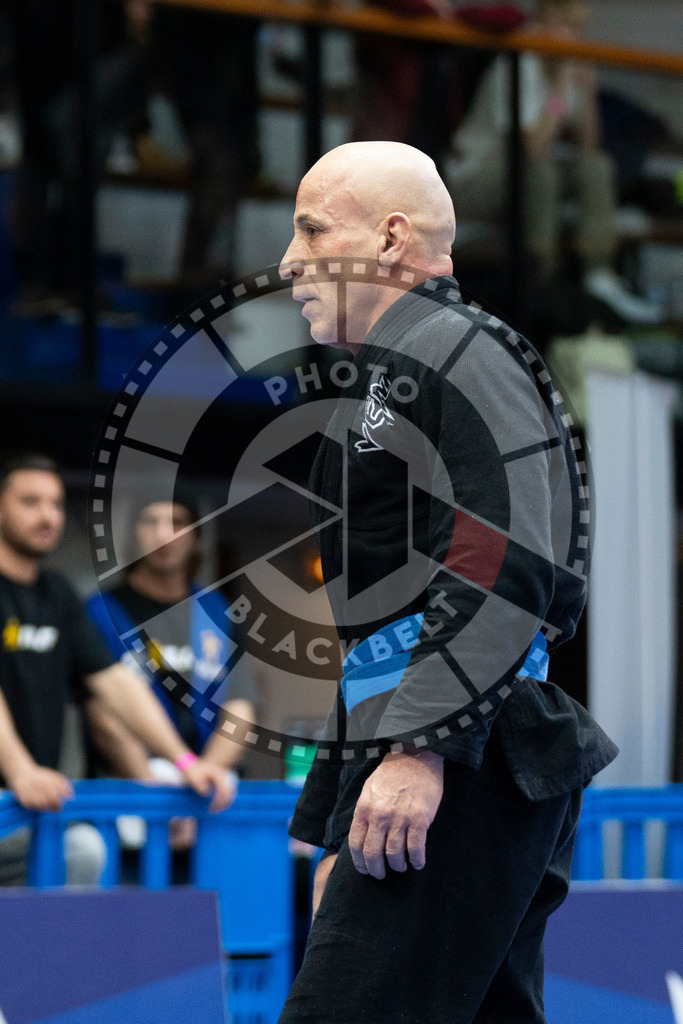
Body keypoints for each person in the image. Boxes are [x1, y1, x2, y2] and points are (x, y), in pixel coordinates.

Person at [276, 140, 618, 1023]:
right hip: (446, 749)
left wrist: (420, 749)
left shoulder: (461, 349)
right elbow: (376, 623)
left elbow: (500, 560)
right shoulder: (386, 374)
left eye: (311, 231)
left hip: (465, 753)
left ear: (390, 240)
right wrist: (330, 808)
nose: (287, 263)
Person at [0, 453, 234, 885]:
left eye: (54, 503)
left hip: (30, 811)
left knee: (84, 856)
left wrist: (183, 762)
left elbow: (115, 683)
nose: (47, 515)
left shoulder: (57, 595)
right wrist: (20, 771)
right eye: (29, 502)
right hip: (17, 795)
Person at [444, 0, 663, 325]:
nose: (575, 36)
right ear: (541, 25)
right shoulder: (519, 61)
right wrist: (560, 87)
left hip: (527, 172)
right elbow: (533, 146)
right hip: (478, 181)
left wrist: (586, 92)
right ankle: (540, 275)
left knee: (597, 166)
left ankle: (599, 273)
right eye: (567, 26)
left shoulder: (566, 67)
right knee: (542, 170)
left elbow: (589, 144)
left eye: (579, 29)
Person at [85, 488, 258, 849]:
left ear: (196, 535)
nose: (164, 534)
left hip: (211, 801)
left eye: (177, 522)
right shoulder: (101, 610)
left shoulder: (216, 611)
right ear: (133, 531)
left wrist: (205, 777)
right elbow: (102, 712)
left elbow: (241, 706)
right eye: (151, 521)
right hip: (126, 804)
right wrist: (160, 796)